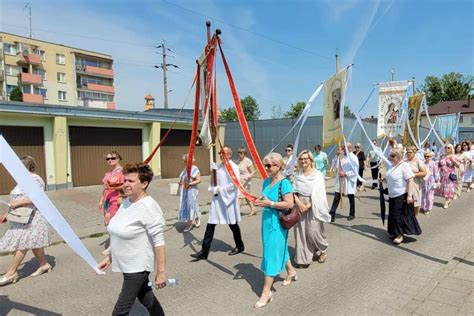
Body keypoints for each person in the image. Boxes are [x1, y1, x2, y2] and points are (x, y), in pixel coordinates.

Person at [98, 163, 166, 316]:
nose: (125, 184)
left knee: (120, 311)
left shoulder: (149, 207)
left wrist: (161, 272)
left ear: (144, 183)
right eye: (125, 180)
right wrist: (109, 258)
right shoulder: (127, 202)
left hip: (137, 267)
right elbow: (119, 233)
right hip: (126, 264)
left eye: (131, 181)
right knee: (147, 300)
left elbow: (159, 242)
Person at [0, 156, 51, 286]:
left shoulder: (36, 179)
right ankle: (44, 265)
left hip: (32, 218)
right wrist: (8, 213)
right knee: (33, 243)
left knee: (22, 245)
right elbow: (16, 201)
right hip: (20, 217)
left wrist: (17, 203)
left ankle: (11, 273)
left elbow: (37, 198)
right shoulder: (23, 180)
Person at [253, 153, 296, 308]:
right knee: (280, 250)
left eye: (270, 165)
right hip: (266, 222)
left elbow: (289, 204)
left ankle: (266, 293)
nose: (267, 168)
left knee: (271, 255)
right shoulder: (266, 181)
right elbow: (264, 197)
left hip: (278, 223)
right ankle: (291, 271)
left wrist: (270, 203)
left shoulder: (284, 183)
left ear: (279, 166)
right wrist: (259, 200)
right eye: (266, 165)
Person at [190, 146, 245, 260]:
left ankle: (240, 245)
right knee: (210, 224)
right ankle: (204, 252)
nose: (221, 155)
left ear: (229, 155)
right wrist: (213, 174)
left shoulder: (233, 167)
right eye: (220, 153)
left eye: (223, 153)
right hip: (217, 200)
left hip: (228, 200)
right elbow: (214, 182)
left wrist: (220, 189)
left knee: (233, 224)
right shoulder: (218, 167)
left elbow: (235, 184)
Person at [293, 150, 331, 268]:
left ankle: (323, 249)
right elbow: (294, 192)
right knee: (301, 233)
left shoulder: (317, 174)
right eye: (301, 159)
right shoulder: (298, 175)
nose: (304, 161)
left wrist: (308, 205)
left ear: (310, 160)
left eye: (306, 159)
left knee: (313, 232)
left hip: (314, 205)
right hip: (300, 205)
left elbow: (319, 193)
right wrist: (300, 204)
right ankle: (303, 259)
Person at [383, 148, 421, 244]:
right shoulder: (392, 165)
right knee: (392, 214)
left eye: (392, 156)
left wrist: (409, 195)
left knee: (398, 215)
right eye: (390, 156)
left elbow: (410, 180)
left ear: (399, 156)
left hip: (401, 194)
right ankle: (394, 232)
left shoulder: (404, 165)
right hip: (392, 194)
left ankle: (400, 235)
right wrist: (383, 179)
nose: (390, 157)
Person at [329, 142, 359, 221]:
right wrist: (336, 155)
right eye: (342, 147)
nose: (342, 149)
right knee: (337, 196)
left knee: (350, 197)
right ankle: (332, 213)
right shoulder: (340, 156)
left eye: (344, 147)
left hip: (348, 180)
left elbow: (355, 170)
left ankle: (352, 213)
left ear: (350, 148)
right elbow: (334, 164)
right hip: (340, 180)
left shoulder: (353, 157)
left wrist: (345, 173)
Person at [99, 151, 125, 226]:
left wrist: (120, 196)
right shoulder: (109, 173)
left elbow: (125, 185)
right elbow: (105, 188)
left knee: (113, 220)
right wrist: (101, 200)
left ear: (118, 159)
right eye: (108, 159)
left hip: (115, 200)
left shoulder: (122, 172)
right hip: (106, 200)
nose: (110, 160)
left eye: (113, 158)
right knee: (107, 219)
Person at [178, 154, 201, 232]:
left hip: (192, 191)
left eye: (185, 161)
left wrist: (190, 183)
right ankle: (197, 218)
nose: (183, 162)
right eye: (183, 161)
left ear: (189, 161)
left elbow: (199, 180)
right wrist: (181, 182)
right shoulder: (185, 169)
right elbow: (183, 179)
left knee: (191, 206)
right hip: (185, 191)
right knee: (190, 206)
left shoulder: (194, 168)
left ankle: (189, 224)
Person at [405, 146, 428, 216]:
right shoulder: (405, 161)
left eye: (410, 152)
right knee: (407, 201)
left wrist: (413, 175)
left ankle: (415, 216)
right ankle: (408, 217)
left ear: (414, 152)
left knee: (416, 203)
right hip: (406, 184)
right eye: (407, 152)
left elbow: (424, 172)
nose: (408, 154)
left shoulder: (418, 161)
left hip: (415, 184)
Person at [436, 144, 460, 209]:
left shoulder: (454, 156)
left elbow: (458, 165)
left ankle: (446, 202)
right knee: (444, 189)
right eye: (445, 147)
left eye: (448, 147)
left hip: (450, 175)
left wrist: (453, 160)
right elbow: (438, 165)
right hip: (443, 175)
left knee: (448, 188)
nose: (446, 149)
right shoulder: (442, 156)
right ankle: (449, 198)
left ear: (451, 149)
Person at [237, 147, 257, 216]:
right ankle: (253, 209)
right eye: (238, 152)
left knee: (240, 196)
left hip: (246, 181)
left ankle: (236, 212)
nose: (239, 154)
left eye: (241, 152)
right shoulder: (238, 161)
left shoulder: (248, 161)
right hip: (240, 181)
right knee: (247, 197)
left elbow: (253, 171)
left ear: (244, 153)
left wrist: (248, 176)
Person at [421, 151, 440, 215]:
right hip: (424, 181)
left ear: (431, 157)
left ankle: (428, 208)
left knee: (429, 196)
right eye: (425, 156)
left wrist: (437, 181)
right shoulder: (423, 163)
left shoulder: (434, 163)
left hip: (431, 181)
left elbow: (436, 173)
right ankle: (424, 207)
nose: (426, 157)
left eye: (428, 156)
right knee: (424, 195)